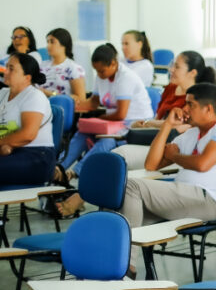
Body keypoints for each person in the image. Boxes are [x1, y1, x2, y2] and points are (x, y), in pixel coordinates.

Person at [56, 52, 216, 218]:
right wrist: (154, 124)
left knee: (123, 157)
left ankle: (83, 198)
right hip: (156, 142)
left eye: (177, 66)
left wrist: (149, 123)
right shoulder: (171, 89)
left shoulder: (198, 99)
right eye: (172, 65)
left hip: (173, 149)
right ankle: (92, 202)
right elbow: (161, 121)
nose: (171, 69)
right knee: (115, 157)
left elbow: (181, 127)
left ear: (192, 73)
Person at [120, 83, 216, 238]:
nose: (185, 109)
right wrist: (167, 125)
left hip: (209, 201)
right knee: (119, 214)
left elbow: (202, 164)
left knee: (131, 186)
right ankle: (119, 259)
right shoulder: (191, 134)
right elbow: (151, 165)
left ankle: (127, 261)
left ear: (208, 109)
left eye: (190, 104)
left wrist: (174, 156)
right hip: (181, 198)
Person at [56, 43, 154, 183]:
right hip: (113, 123)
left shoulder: (126, 78)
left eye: (102, 71)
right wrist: (75, 108)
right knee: (81, 133)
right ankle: (58, 167)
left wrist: (98, 119)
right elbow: (93, 102)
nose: (99, 75)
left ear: (114, 64)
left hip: (134, 125)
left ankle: (74, 173)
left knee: (107, 141)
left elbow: (121, 114)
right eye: (96, 71)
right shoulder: (101, 77)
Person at [0, 53, 56, 185]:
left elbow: (28, 135)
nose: (5, 71)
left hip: (36, 156)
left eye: (11, 68)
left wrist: (4, 144)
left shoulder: (34, 96)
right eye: (6, 67)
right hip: (11, 151)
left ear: (27, 77)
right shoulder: (2, 94)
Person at [40, 28, 86, 102]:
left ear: (64, 44)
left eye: (52, 42)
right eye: (47, 42)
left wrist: (50, 93)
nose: (48, 46)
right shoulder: (42, 66)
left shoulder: (73, 68)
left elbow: (80, 98)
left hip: (61, 108)